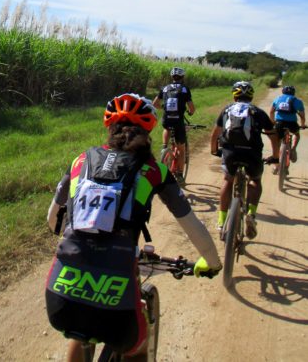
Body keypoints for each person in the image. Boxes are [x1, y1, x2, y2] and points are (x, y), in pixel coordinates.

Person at [46, 93, 222, 362]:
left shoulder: (80, 161)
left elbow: (52, 220)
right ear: (148, 130)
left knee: (79, 334)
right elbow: (192, 224)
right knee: (136, 348)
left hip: (59, 301)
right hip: (118, 312)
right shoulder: (154, 170)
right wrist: (211, 262)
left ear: (109, 128)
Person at [210, 81, 279, 240]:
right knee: (255, 180)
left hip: (230, 152)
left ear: (234, 96)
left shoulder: (227, 109)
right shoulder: (257, 112)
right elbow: (273, 135)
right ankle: (251, 214)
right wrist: (275, 156)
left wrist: (214, 150)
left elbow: (215, 133)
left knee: (228, 180)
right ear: (251, 96)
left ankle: (221, 220)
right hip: (252, 154)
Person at [152, 67, 195, 186]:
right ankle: (180, 175)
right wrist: (190, 113)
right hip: (178, 121)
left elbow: (155, 103)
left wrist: (163, 108)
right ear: (182, 78)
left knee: (166, 128)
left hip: (167, 119)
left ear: (172, 77)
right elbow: (192, 108)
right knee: (181, 150)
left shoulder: (165, 88)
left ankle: (164, 147)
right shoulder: (185, 89)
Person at [269, 85, 305, 172]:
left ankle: (275, 165)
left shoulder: (278, 99)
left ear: (283, 92)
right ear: (293, 93)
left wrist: (273, 121)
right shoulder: (297, 101)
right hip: (292, 124)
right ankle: (293, 149)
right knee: (296, 134)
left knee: (276, 142)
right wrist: (303, 125)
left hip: (279, 123)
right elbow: (302, 116)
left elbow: (271, 112)